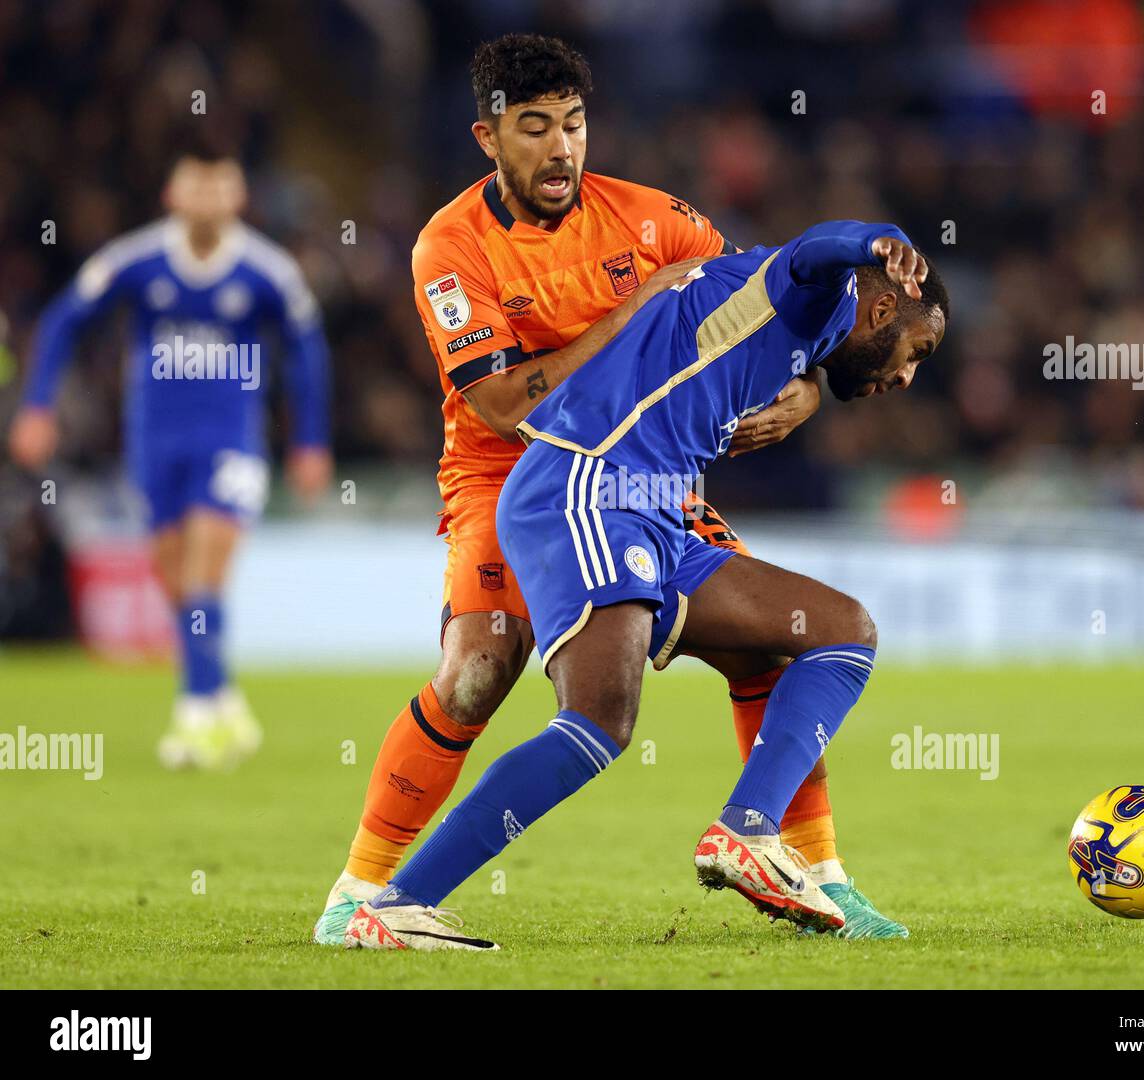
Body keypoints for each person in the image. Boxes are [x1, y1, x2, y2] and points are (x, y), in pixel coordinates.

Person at [316, 33, 894, 941]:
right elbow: (504, 404)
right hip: (510, 469)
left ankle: (817, 869)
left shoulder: (658, 219)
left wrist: (805, 396)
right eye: (535, 127)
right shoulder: (449, 247)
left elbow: (762, 308)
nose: (560, 148)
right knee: (477, 674)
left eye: (574, 125)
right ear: (488, 137)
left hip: (651, 470)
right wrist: (632, 314)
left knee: (769, 643)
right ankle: (364, 890)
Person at [343, 220, 948, 950]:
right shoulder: (811, 288)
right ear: (883, 309)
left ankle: (747, 831)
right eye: (917, 352)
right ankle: (397, 903)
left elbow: (804, 354)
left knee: (842, 631)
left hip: (657, 513)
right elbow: (816, 249)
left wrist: (809, 394)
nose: (908, 377)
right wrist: (876, 239)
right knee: (598, 723)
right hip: (587, 488)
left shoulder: (805, 335)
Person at [7, 136, 332, 769]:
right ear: (172, 193)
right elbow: (62, 322)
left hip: (231, 440)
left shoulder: (268, 271)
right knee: (173, 572)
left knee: (207, 563)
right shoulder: (136, 261)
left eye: (220, 184)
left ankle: (193, 715)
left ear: (238, 193)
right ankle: (224, 698)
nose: (208, 197)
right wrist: (38, 404)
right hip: (154, 441)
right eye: (196, 184)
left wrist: (311, 441)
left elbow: (308, 353)